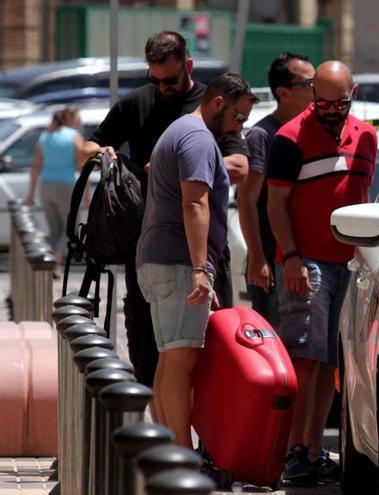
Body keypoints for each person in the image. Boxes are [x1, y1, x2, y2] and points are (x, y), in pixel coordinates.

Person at [80, 31, 249, 388]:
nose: (162, 87)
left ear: (188, 66)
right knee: (151, 357)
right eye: (154, 79)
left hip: (201, 250)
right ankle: (167, 439)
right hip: (149, 245)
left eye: (170, 80)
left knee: (206, 355)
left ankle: (200, 442)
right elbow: (86, 147)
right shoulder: (138, 102)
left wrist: (176, 165)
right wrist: (101, 155)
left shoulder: (213, 105)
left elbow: (240, 166)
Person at [266, 60, 377, 485]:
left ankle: (312, 450)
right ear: (312, 94)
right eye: (324, 102)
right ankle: (294, 449)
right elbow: (275, 204)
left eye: (340, 102)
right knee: (306, 359)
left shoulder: (365, 136)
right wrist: (290, 258)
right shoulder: (289, 138)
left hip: (350, 262)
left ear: (353, 95)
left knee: (333, 362)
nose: (331, 109)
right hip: (306, 261)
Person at [136, 73, 256, 448]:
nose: (240, 127)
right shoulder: (198, 139)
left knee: (170, 358)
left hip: (161, 260)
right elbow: (194, 203)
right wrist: (201, 270)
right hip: (177, 263)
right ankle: (182, 455)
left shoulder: (182, 130)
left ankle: (169, 453)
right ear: (219, 102)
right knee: (182, 359)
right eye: (238, 117)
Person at [241, 53, 314, 327]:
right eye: (308, 84)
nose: (315, 90)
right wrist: (258, 258)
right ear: (283, 92)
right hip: (272, 261)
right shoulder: (263, 136)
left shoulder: (311, 131)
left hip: (305, 259)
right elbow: (247, 200)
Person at [25, 106, 84, 267]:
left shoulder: (44, 137)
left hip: (46, 186)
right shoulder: (74, 137)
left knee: (54, 230)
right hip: (66, 185)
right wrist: (86, 195)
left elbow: (36, 167)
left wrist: (30, 195)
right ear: (68, 119)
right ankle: (55, 264)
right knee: (69, 228)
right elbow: (82, 166)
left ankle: (50, 266)